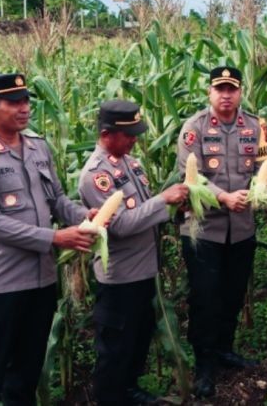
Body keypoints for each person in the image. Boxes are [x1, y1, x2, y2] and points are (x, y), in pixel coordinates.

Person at [0, 73, 97, 405]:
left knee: (27, 369)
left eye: (26, 101)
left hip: (41, 281)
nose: (24, 108)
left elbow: (57, 201)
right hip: (1, 283)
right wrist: (53, 237)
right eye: (14, 102)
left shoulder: (38, 147)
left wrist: (84, 215)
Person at [78, 100, 189, 405]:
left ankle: (128, 389)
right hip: (120, 278)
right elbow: (123, 226)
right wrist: (163, 199)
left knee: (138, 338)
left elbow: (145, 212)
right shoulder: (95, 176)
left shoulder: (131, 162)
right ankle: (110, 398)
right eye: (128, 135)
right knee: (114, 348)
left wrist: (174, 207)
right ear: (106, 134)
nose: (135, 139)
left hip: (144, 270)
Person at [177, 67, 263, 398]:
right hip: (204, 230)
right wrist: (224, 197)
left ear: (240, 92)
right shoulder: (194, 129)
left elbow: (261, 167)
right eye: (220, 89)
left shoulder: (254, 127)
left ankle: (225, 349)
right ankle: (204, 365)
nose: (226, 95)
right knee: (205, 298)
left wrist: (258, 189)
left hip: (241, 229)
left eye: (232, 89)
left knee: (232, 293)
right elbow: (191, 178)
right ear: (209, 93)